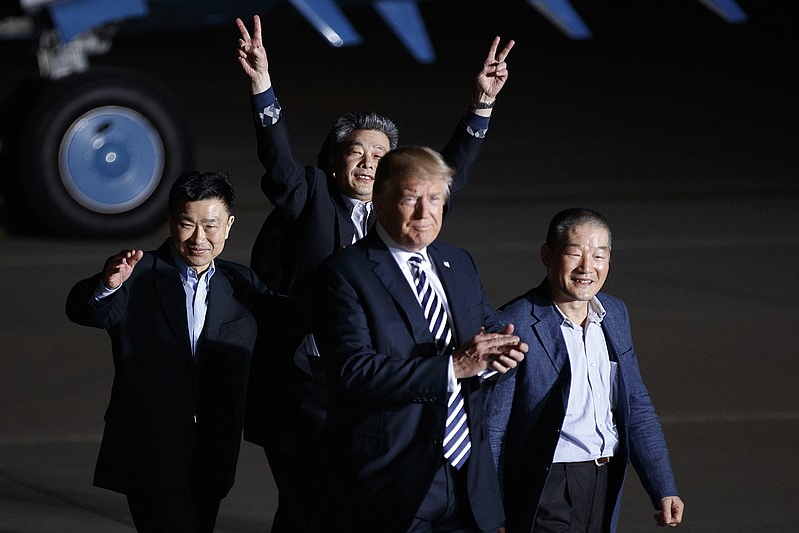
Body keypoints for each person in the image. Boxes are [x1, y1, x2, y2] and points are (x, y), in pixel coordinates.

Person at [235, 14, 515, 532]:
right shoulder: (312, 197)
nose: (367, 161)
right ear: (336, 161)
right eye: (355, 151)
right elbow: (277, 165)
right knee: (304, 503)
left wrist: (481, 107)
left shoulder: (410, 218)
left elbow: (445, 174)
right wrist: (261, 88)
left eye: (380, 155)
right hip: (312, 383)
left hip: (388, 387)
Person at [313, 146, 528, 532]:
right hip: (394, 480)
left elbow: (483, 340)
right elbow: (353, 372)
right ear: (380, 201)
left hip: (468, 479)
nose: (423, 213)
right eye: (410, 198)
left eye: (434, 200)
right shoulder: (345, 273)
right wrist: (454, 367)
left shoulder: (458, 262)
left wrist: (500, 358)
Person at [65, 171, 279, 532]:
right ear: (170, 222)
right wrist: (107, 284)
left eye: (211, 226)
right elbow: (85, 310)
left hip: (214, 448)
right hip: (151, 447)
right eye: (186, 224)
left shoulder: (241, 283)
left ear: (228, 226)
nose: (199, 239)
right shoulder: (138, 273)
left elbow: (287, 320)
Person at [487, 208, 685, 533]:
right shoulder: (515, 323)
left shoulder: (615, 315)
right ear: (547, 256)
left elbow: (636, 407)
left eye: (599, 256)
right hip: (545, 486)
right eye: (574, 254)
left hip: (602, 482)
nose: (587, 268)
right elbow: (493, 428)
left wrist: (662, 485)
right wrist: (491, 510)